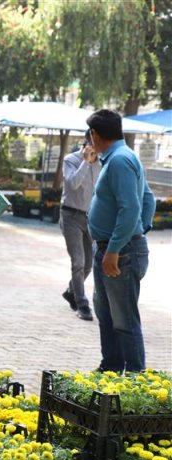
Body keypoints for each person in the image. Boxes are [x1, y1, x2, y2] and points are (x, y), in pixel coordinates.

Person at [86, 109, 155, 373]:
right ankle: (111, 369)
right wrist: (138, 231)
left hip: (119, 252)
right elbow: (147, 200)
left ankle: (136, 380)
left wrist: (120, 245)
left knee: (124, 320)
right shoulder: (119, 158)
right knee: (106, 315)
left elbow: (131, 208)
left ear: (94, 134)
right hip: (111, 248)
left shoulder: (120, 161)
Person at [60, 130, 100, 321]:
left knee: (88, 264)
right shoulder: (71, 160)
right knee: (78, 262)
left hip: (91, 218)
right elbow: (73, 184)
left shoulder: (103, 163)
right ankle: (82, 304)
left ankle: (71, 290)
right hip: (71, 215)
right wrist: (86, 162)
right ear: (86, 142)